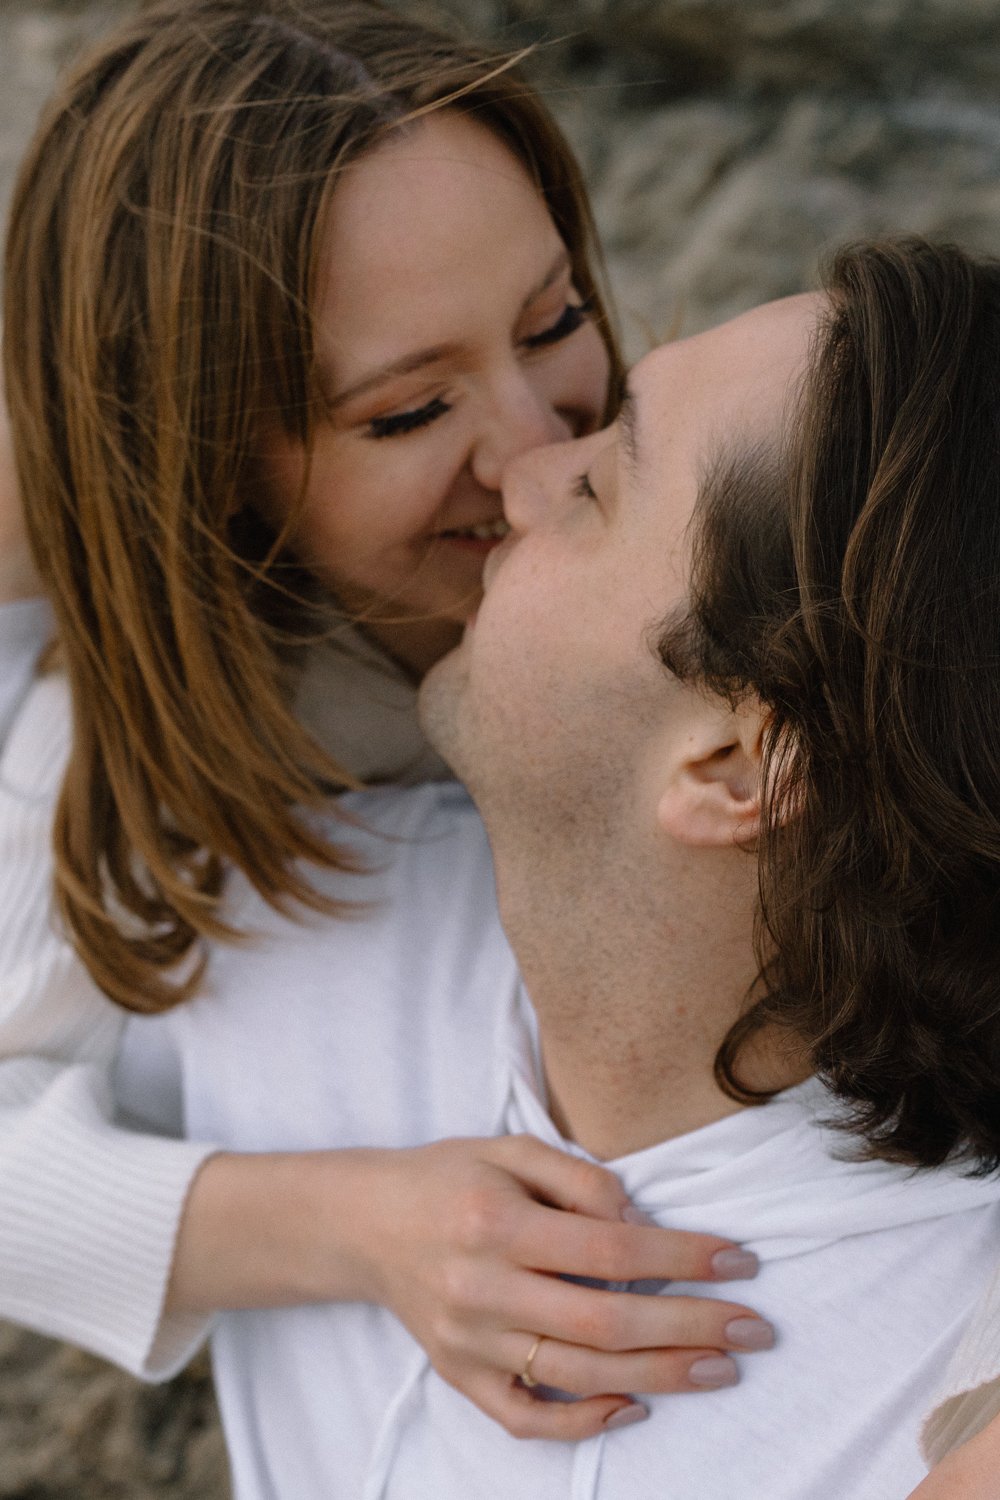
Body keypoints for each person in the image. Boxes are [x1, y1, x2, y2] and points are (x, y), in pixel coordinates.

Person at [51, 236, 996, 1496]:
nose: (524, 470)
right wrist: (323, 1224)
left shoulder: (944, 1360)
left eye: (602, 485)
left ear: (733, 766)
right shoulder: (292, 909)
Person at [0, 0, 765, 1439]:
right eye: (410, 413)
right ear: (217, 465)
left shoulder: (725, 478)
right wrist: (367, 1227)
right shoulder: (140, 760)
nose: (545, 455)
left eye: (554, 321)